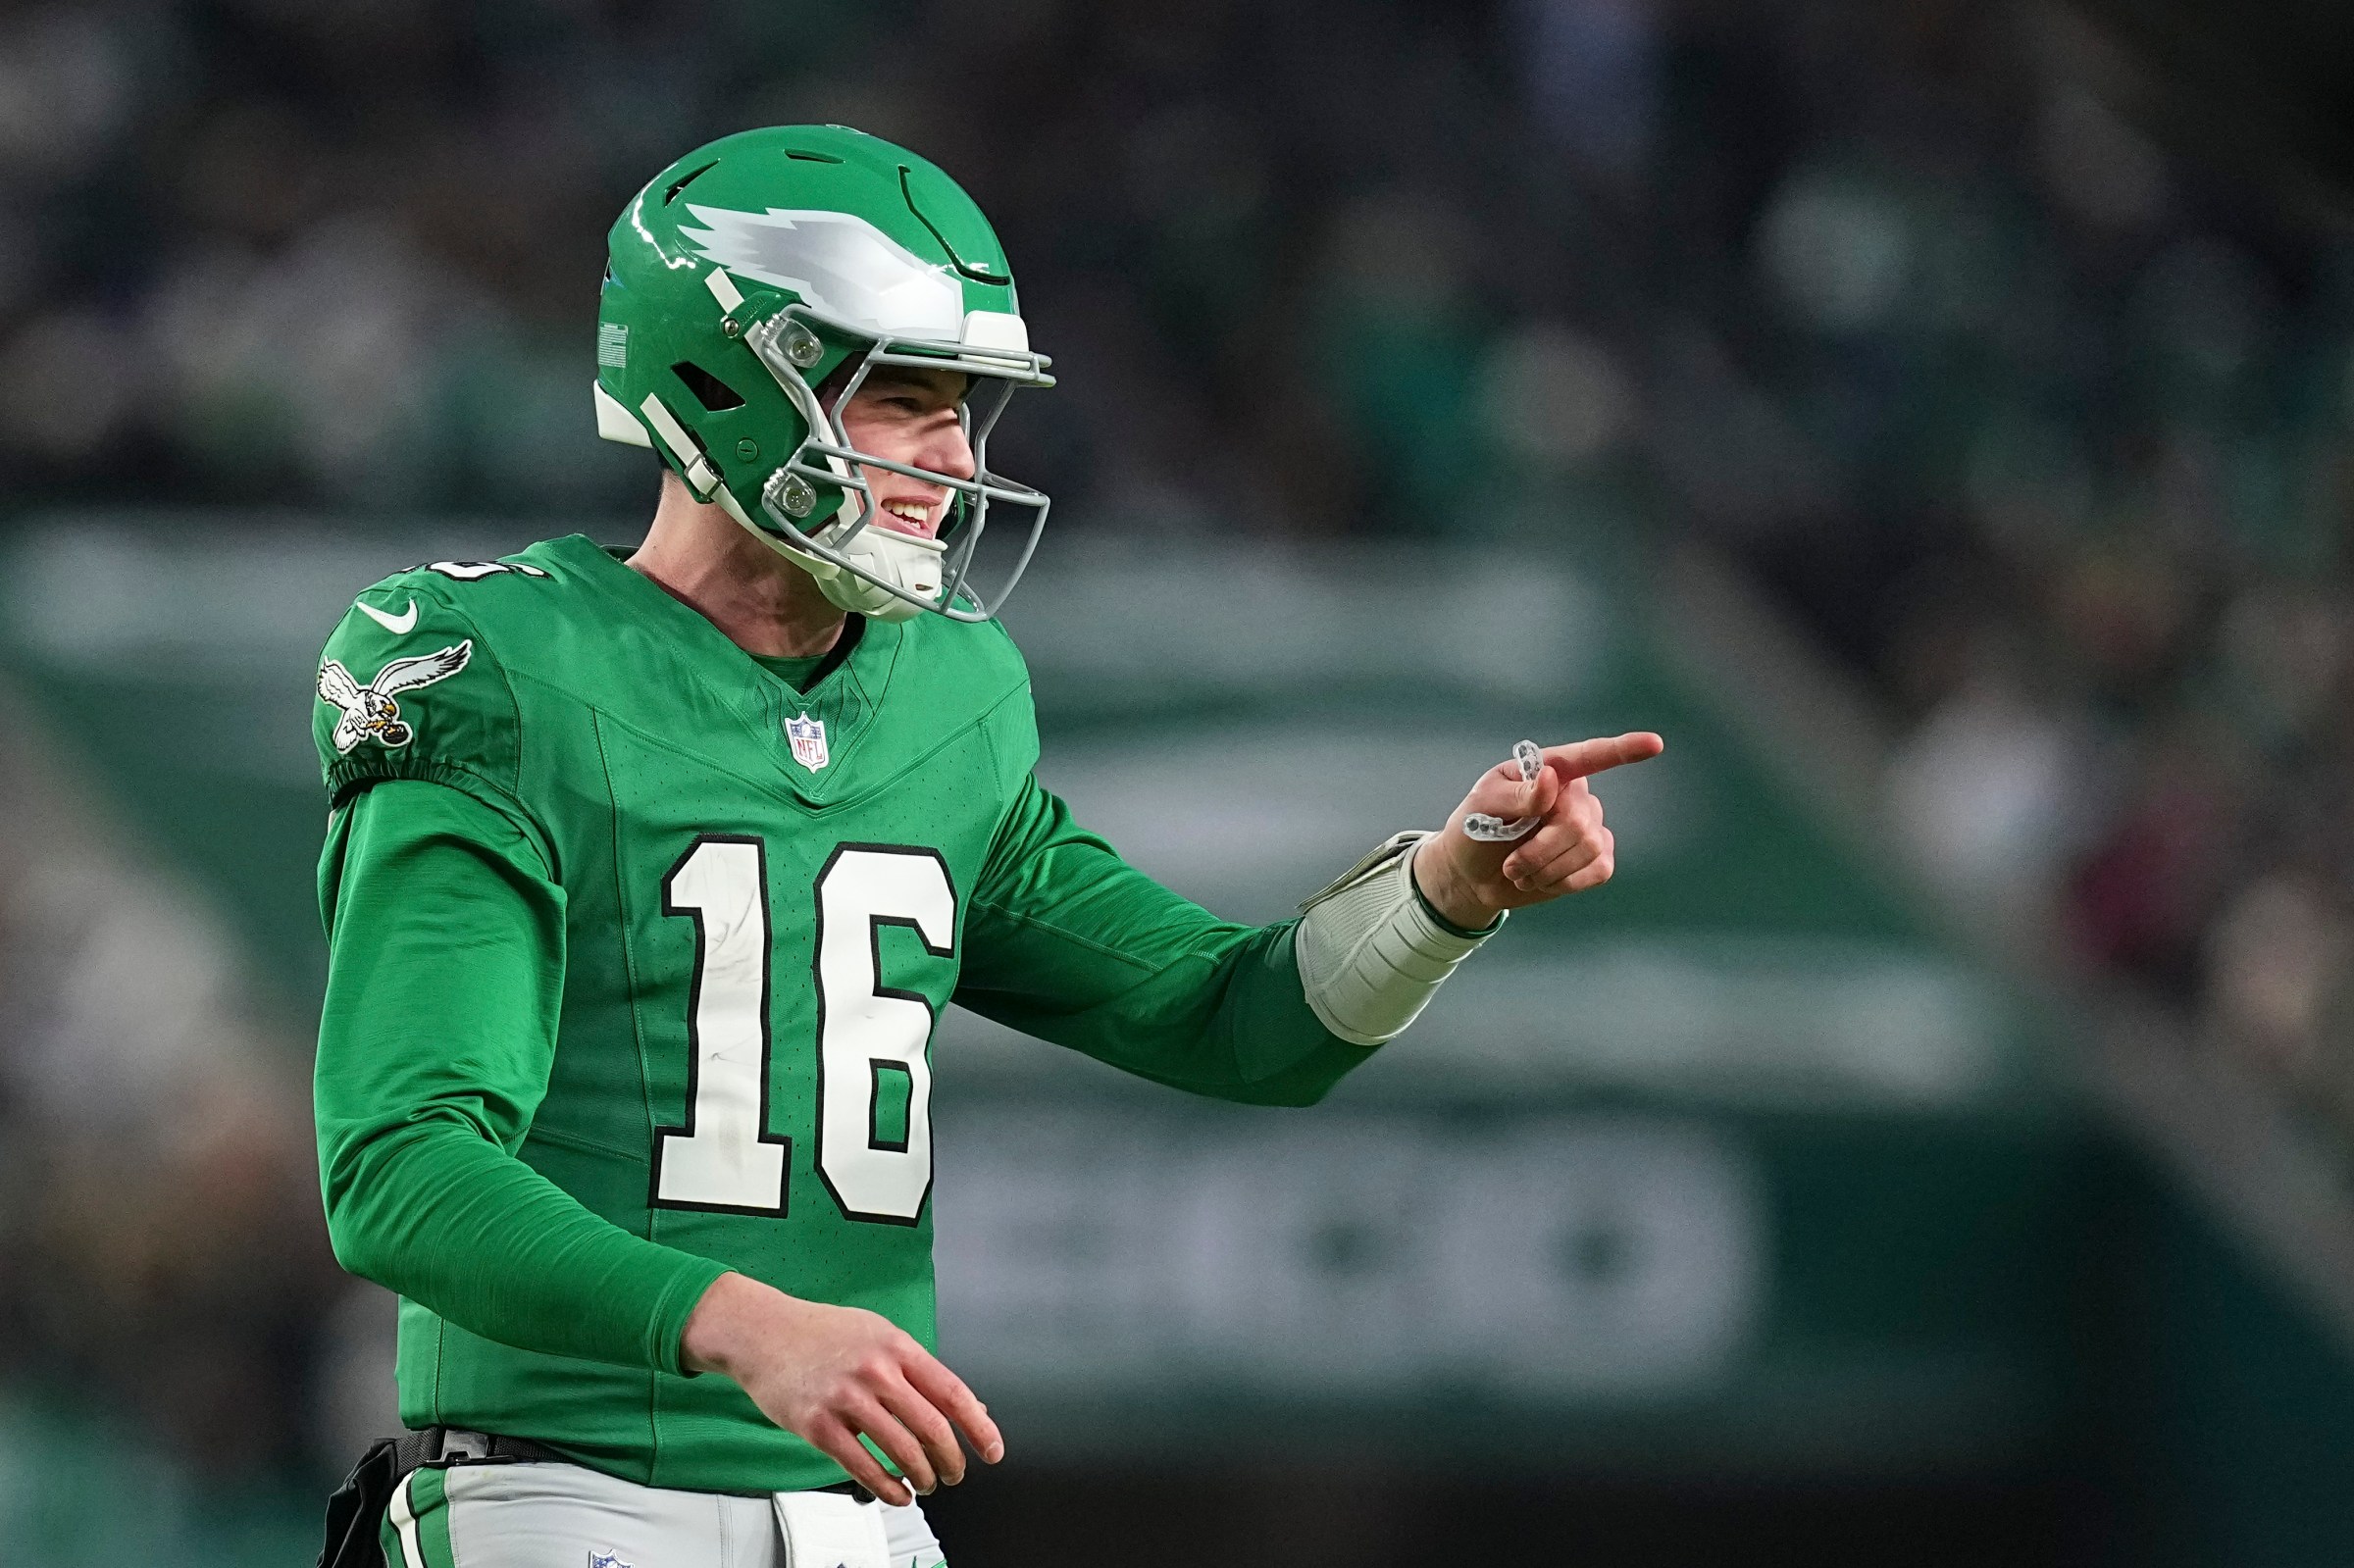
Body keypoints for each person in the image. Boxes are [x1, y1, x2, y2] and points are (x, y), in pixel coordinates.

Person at [310, 125, 1662, 1568]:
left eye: (966, 407)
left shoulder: (951, 699)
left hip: (863, 1523)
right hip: (563, 1494)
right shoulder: (504, 668)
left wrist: (1447, 891)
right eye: (905, 400)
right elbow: (400, 1165)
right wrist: (735, 1322)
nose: (955, 458)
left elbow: (1234, 1019)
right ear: (725, 381)